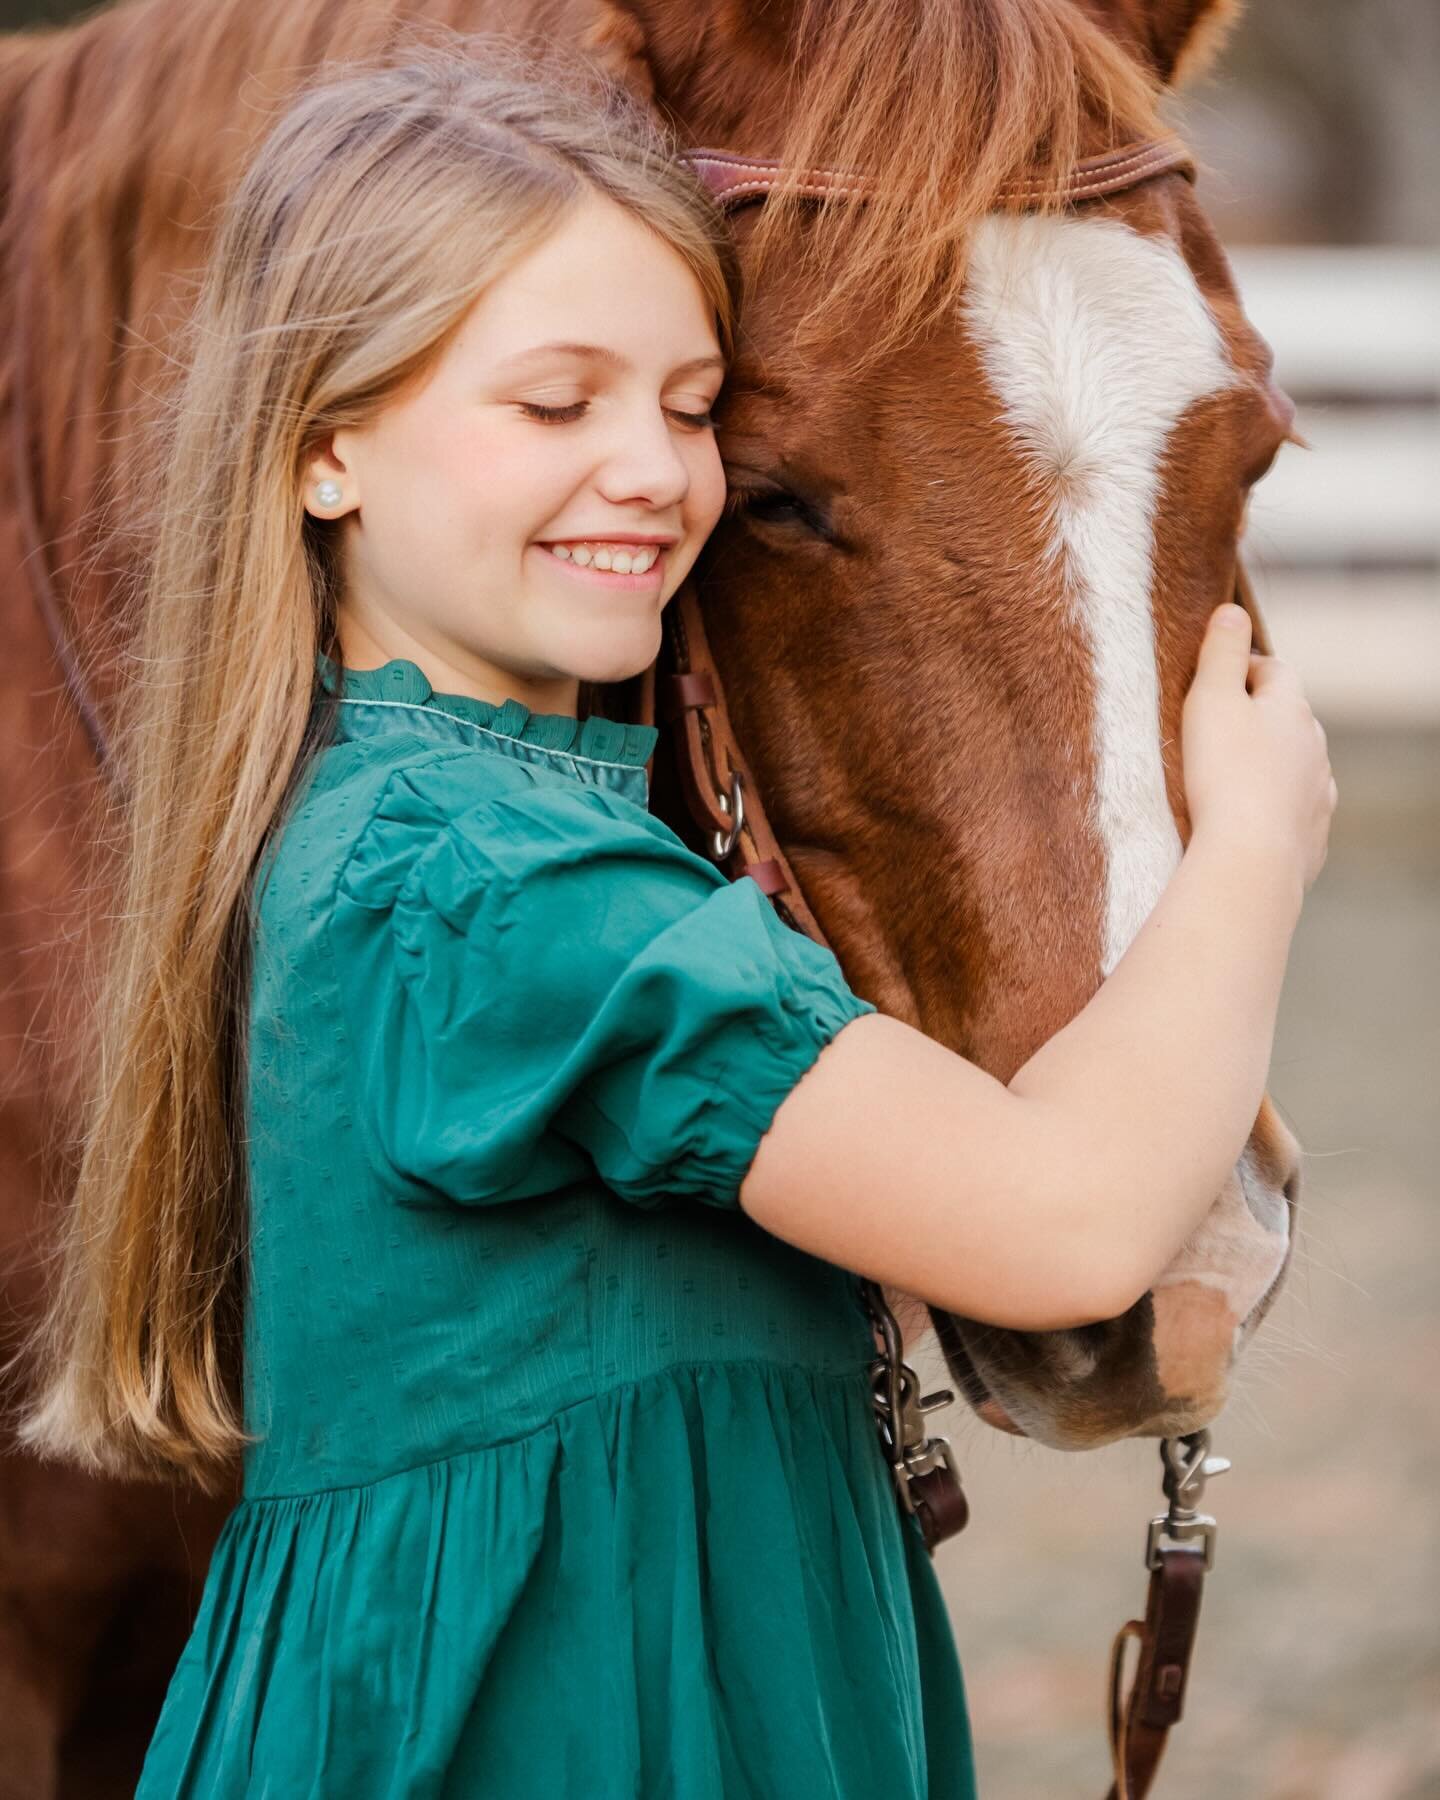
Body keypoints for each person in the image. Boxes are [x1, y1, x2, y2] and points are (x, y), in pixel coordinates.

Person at [6, 29, 1335, 1800]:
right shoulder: (506, 897)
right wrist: (1254, 844)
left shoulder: (473, 829)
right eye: (555, 404)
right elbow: (1070, 1228)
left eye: (700, 407)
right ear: (322, 449)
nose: (650, 471)